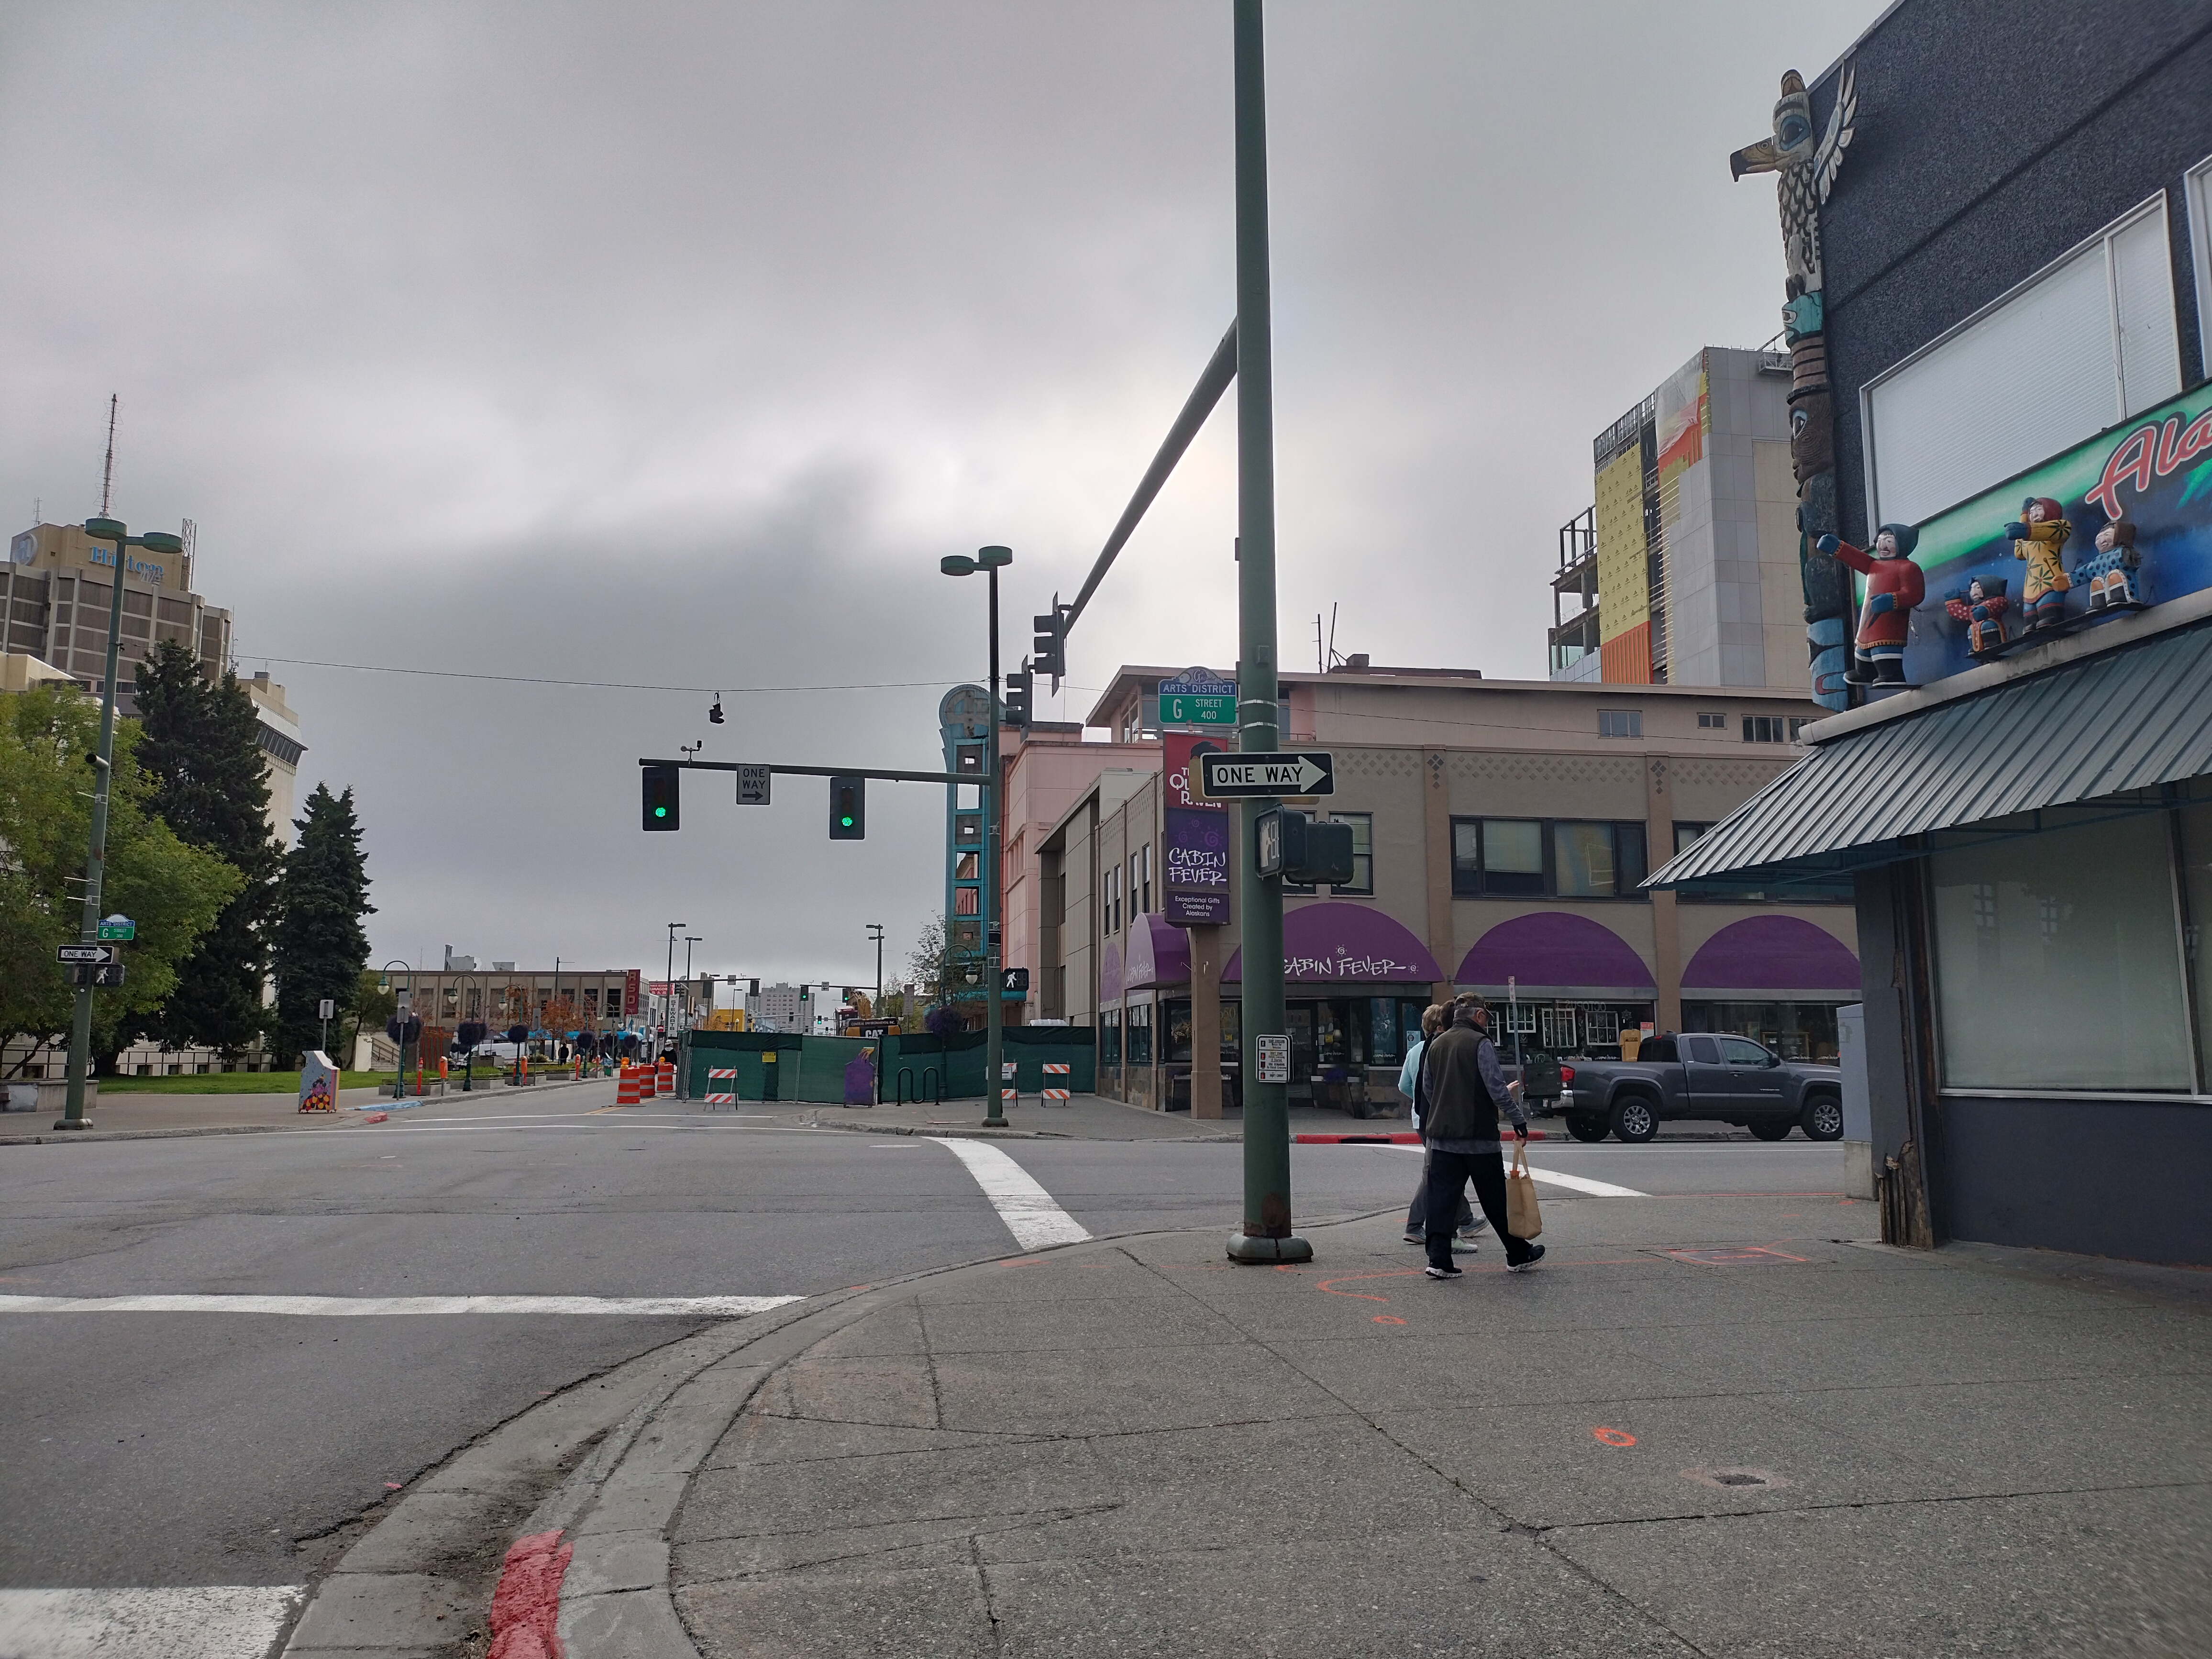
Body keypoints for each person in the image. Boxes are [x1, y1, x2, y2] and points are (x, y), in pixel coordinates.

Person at [1418, 994, 1544, 1278]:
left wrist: (1445, 1110)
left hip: (1442, 1137)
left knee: (1441, 1200)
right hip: (1477, 1137)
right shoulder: (1480, 1043)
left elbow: (1429, 1088)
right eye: (1486, 1016)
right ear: (1477, 1016)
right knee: (1495, 1199)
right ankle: (1518, 1253)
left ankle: (1438, 1260)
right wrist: (1518, 1121)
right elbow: (1497, 1088)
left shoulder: (1437, 1044)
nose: (1488, 1022)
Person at [1400, 1004, 1482, 1249]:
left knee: (1445, 1170)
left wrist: (1419, 1102)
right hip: (1439, 1118)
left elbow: (1404, 1085)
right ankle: (1415, 1225)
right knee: (1436, 1174)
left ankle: (1466, 1220)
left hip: (1421, 1118)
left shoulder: (1415, 1050)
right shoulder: (1441, 1048)